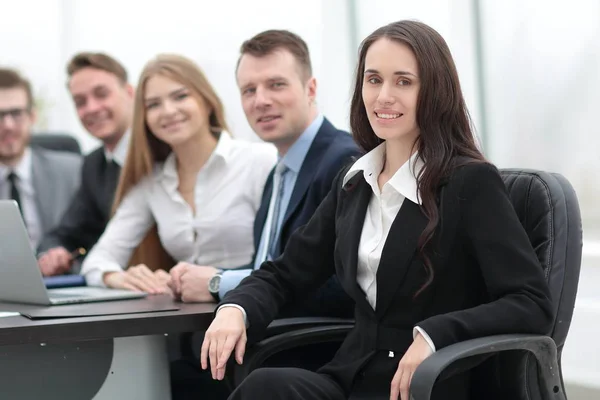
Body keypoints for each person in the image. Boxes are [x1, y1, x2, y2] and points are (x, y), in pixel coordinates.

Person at [200, 20, 554, 400]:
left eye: (403, 81)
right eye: (373, 80)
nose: (383, 96)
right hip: (351, 379)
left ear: (434, 91)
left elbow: (529, 302)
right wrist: (235, 309)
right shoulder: (354, 182)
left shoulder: (470, 182)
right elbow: (285, 274)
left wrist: (435, 335)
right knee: (264, 387)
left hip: (425, 386)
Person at [169, 29, 361, 318]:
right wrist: (204, 276)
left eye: (276, 85)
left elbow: (348, 287)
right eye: (249, 90)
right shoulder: (279, 173)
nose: (260, 101)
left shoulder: (344, 162)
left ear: (310, 89)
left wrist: (217, 283)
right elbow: (273, 266)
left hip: (310, 349)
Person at [80, 54, 276, 293]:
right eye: (153, 104)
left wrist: (216, 283)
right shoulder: (152, 182)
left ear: (206, 100)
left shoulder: (259, 161)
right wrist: (118, 277)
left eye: (180, 96)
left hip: (256, 312)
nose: (168, 111)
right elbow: (97, 262)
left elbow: (282, 264)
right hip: (188, 320)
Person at [37, 52, 134, 276]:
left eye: (101, 94)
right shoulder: (94, 164)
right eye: (80, 102)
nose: (91, 108)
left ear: (130, 93)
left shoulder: (159, 153)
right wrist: (53, 253)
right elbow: (68, 232)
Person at [0, 67, 81, 251]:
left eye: (16, 113)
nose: (8, 125)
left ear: (32, 116)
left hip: (60, 278)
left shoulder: (73, 172)